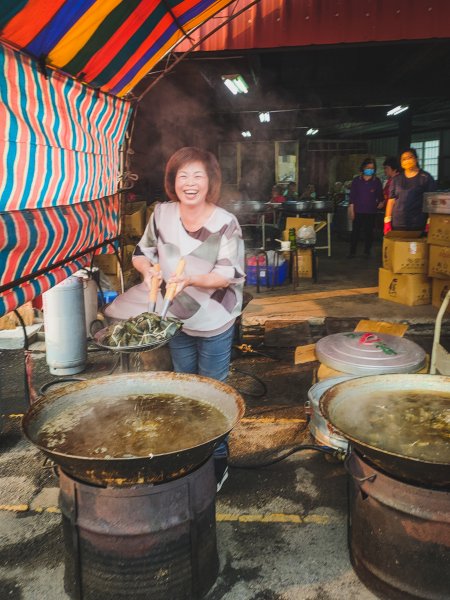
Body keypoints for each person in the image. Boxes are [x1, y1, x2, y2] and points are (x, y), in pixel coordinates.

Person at [125, 147, 245, 490]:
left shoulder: (225, 222)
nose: (190, 183)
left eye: (198, 176)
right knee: (185, 387)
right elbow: (141, 253)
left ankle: (218, 459)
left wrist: (189, 279)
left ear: (210, 182)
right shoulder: (161, 215)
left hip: (215, 318)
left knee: (213, 390)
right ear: (172, 181)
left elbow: (228, 274)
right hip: (174, 318)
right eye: (183, 176)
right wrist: (148, 271)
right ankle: (192, 455)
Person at [384, 148, 436, 234]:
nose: (407, 160)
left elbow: (430, 202)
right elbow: (391, 201)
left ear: (416, 159)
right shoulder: (396, 179)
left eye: (410, 157)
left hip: (417, 224)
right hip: (398, 223)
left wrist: (430, 221)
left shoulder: (426, 178)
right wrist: (387, 221)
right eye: (404, 159)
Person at [348, 158, 384, 257]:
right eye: (368, 167)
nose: (370, 170)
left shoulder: (376, 181)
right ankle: (352, 252)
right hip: (358, 210)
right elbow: (352, 196)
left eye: (372, 168)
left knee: (369, 232)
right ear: (363, 168)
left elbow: (380, 196)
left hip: (371, 211)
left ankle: (367, 252)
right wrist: (351, 209)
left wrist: (381, 202)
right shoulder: (356, 180)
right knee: (355, 232)